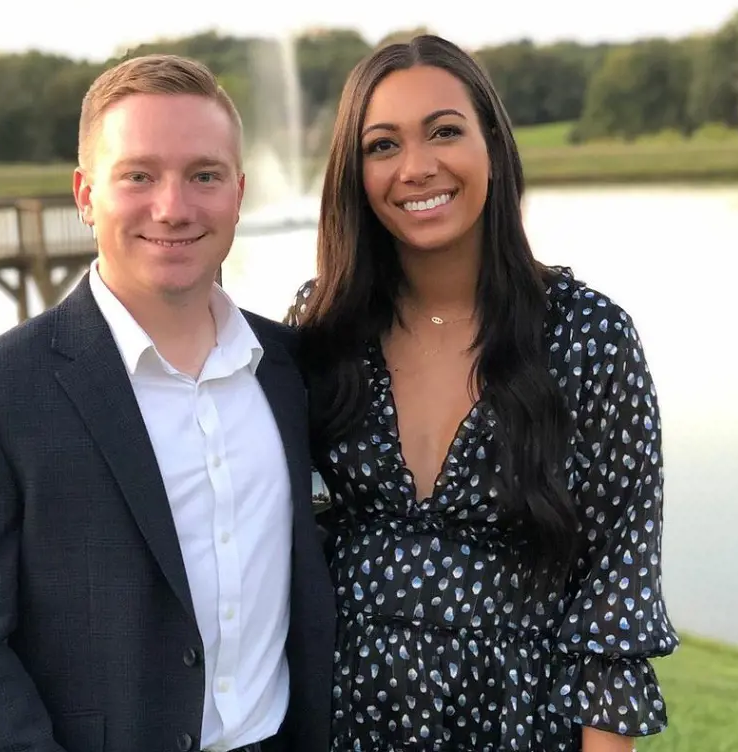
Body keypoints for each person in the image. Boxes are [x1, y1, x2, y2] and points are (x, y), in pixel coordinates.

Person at [0, 53, 334, 752]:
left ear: (238, 193)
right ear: (85, 194)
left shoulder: (289, 367)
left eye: (204, 175)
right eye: (139, 175)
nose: (174, 207)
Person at [285, 35, 679, 752]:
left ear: (492, 144)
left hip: (520, 723)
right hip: (339, 718)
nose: (417, 167)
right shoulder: (321, 330)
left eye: (444, 131)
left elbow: (616, 587)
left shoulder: (589, 336)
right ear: (354, 173)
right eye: (382, 146)